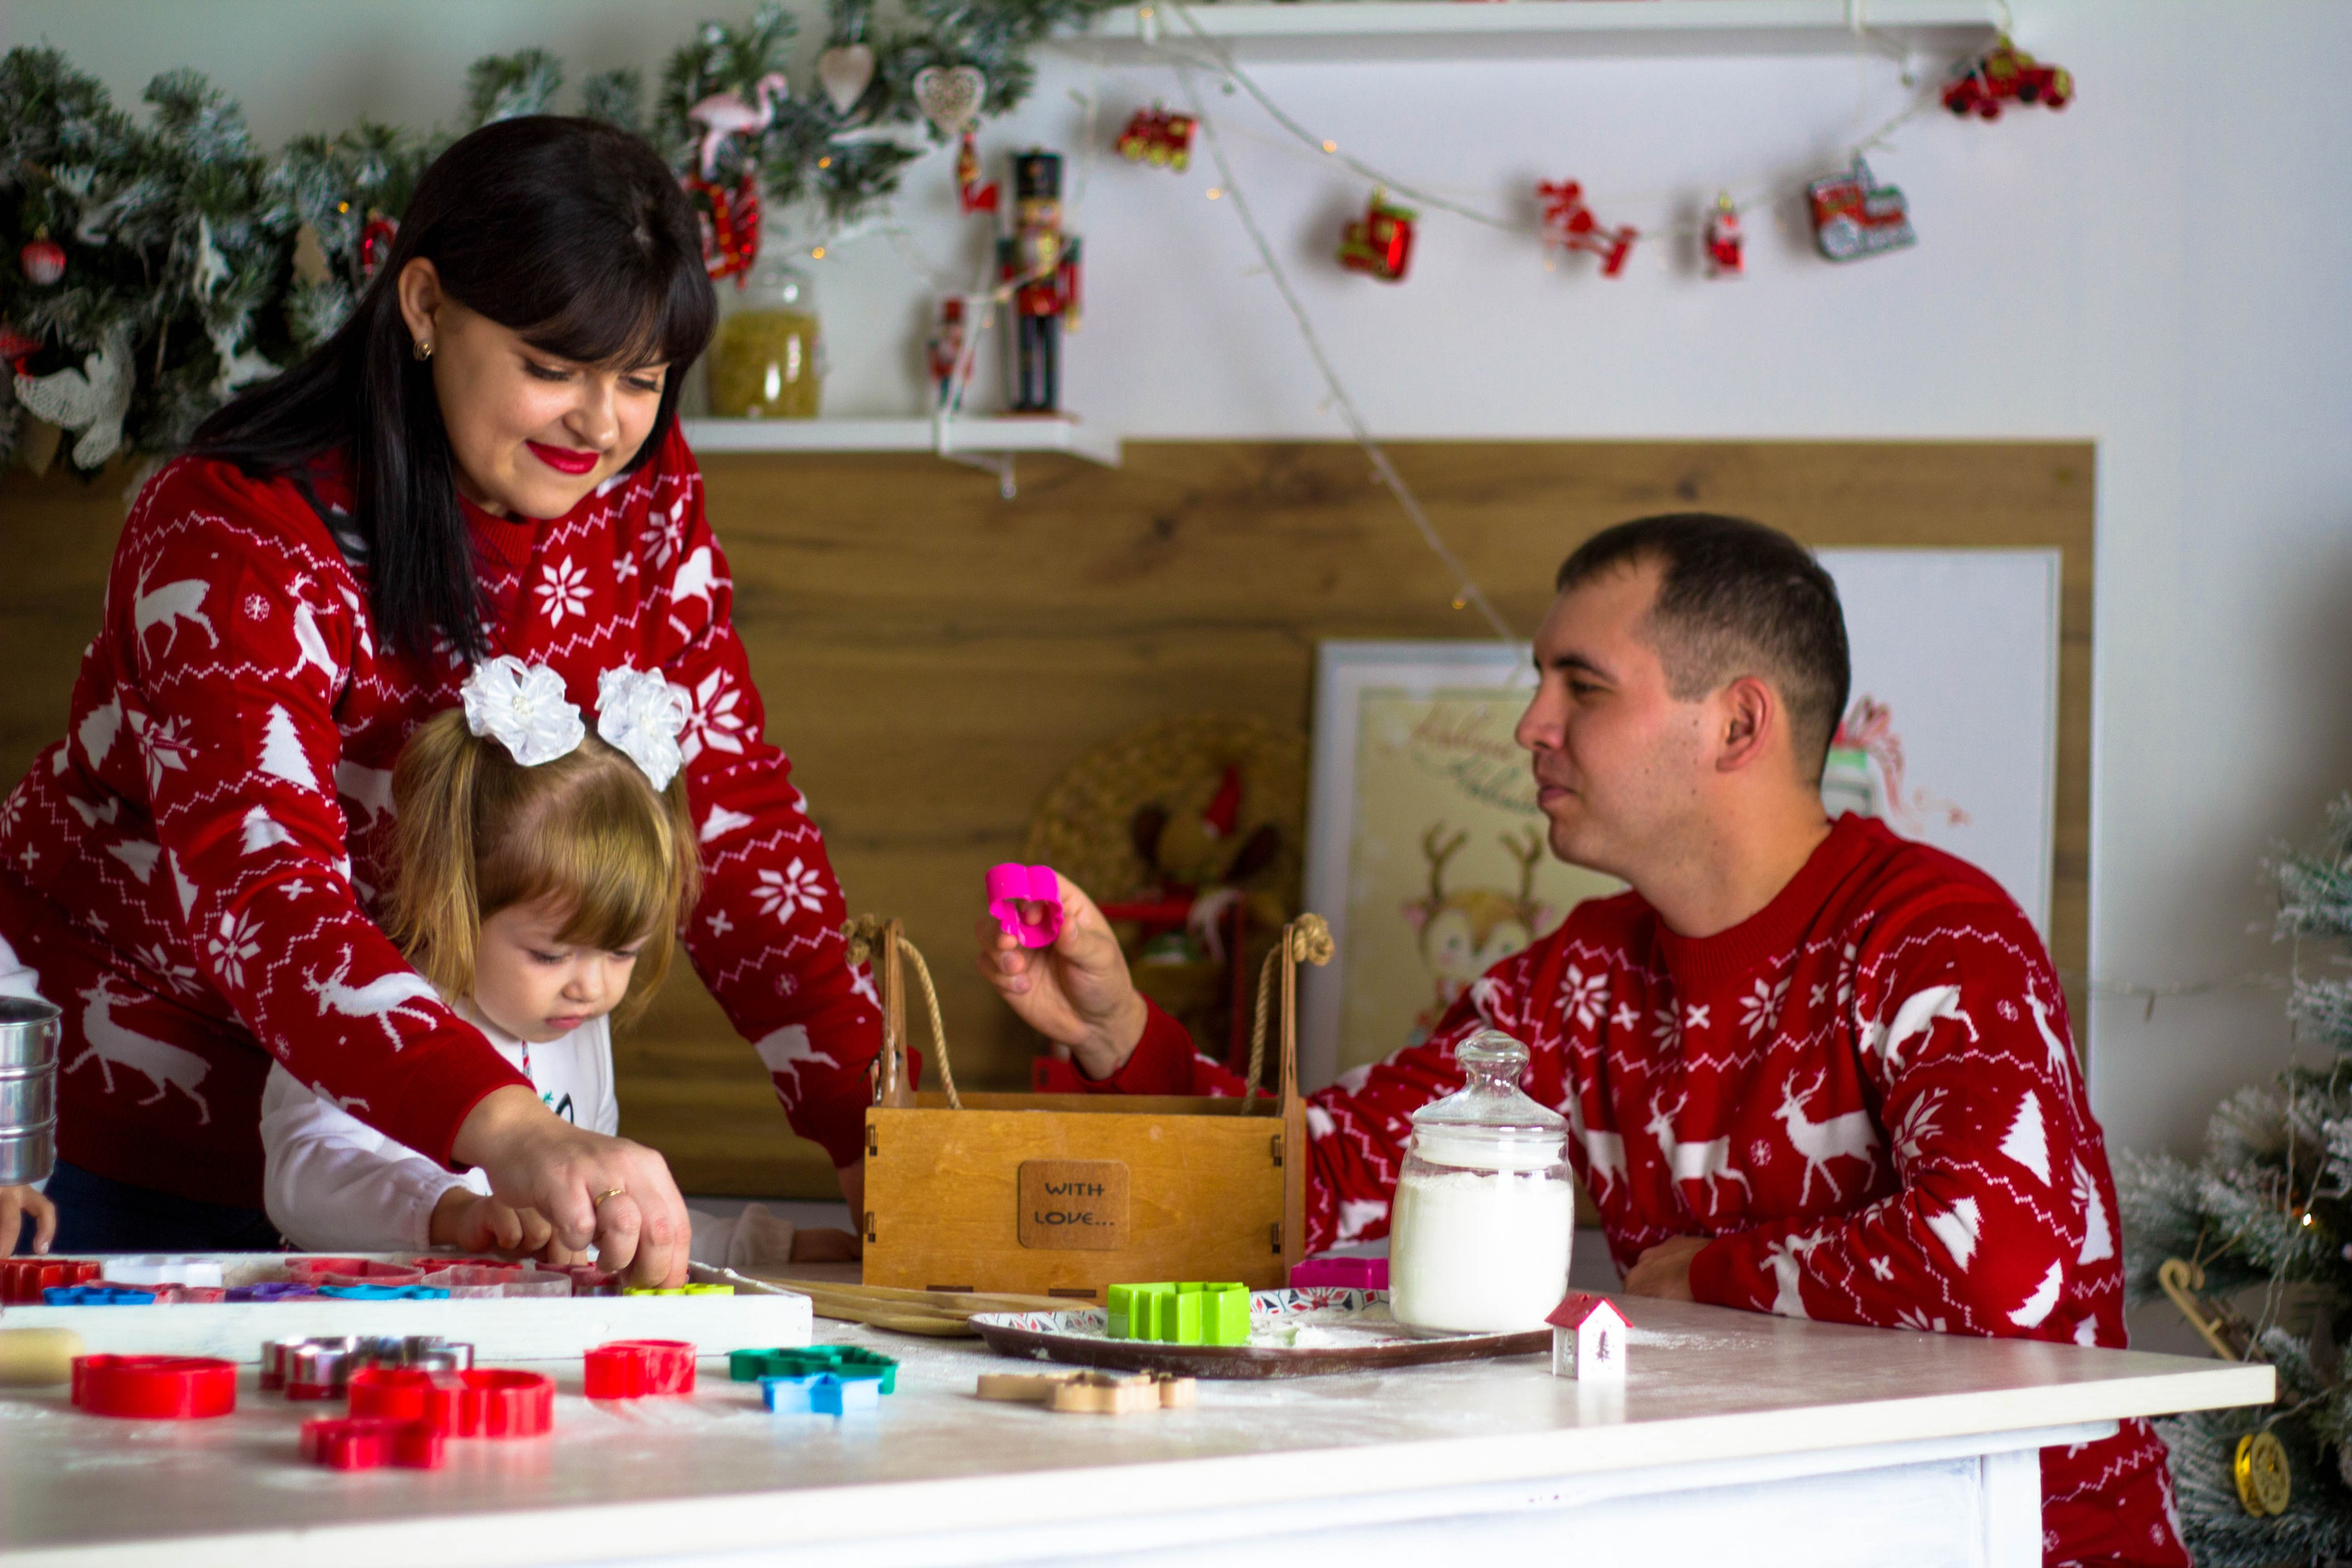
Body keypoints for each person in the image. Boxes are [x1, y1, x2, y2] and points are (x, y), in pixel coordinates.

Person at [977, 514, 2187, 1568]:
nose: (1530, 724)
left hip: (2011, 1538)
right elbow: (1319, 1182)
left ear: (1735, 725)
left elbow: (2001, 1265)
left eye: (1581, 684)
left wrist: (1701, 1275)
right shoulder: (1581, 976)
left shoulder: (1937, 937)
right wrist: (1120, 1033)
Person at [0, 118, 881, 1281]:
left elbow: (732, 813)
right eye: (552, 369)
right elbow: (262, 887)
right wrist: (514, 1129)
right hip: (117, 1137)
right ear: (423, 306)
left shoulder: (641, 495)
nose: (600, 423)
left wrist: (881, 1143)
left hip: (432, 1170)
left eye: (641, 380)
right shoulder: (234, 527)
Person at [259, 660, 820, 1269]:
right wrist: (448, 1210)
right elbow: (302, 1174)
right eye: (550, 954)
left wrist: (755, 1249)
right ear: (456, 898)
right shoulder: (370, 1004)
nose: (592, 985)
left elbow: (603, 1214)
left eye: (623, 951)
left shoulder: (575, 1026)